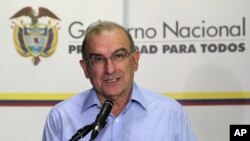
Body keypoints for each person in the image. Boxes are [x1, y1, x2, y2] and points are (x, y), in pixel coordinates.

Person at [42, 21, 196, 141]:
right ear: (85, 68)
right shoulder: (61, 117)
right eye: (98, 59)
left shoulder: (170, 113)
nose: (110, 69)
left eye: (119, 56)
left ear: (135, 60)